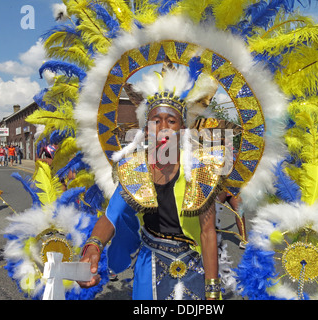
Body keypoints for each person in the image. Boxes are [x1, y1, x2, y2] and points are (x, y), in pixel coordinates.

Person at [78, 65, 224, 300]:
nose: (164, 128)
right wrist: (93, 247)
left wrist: (212, 290)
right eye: (157, 121)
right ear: (147, 129)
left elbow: (208, 233)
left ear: (183, 128)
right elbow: (111, 215)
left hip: (192, 263)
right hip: (150, 261)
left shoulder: (200, 169)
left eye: (172, 121)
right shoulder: (135, 168)